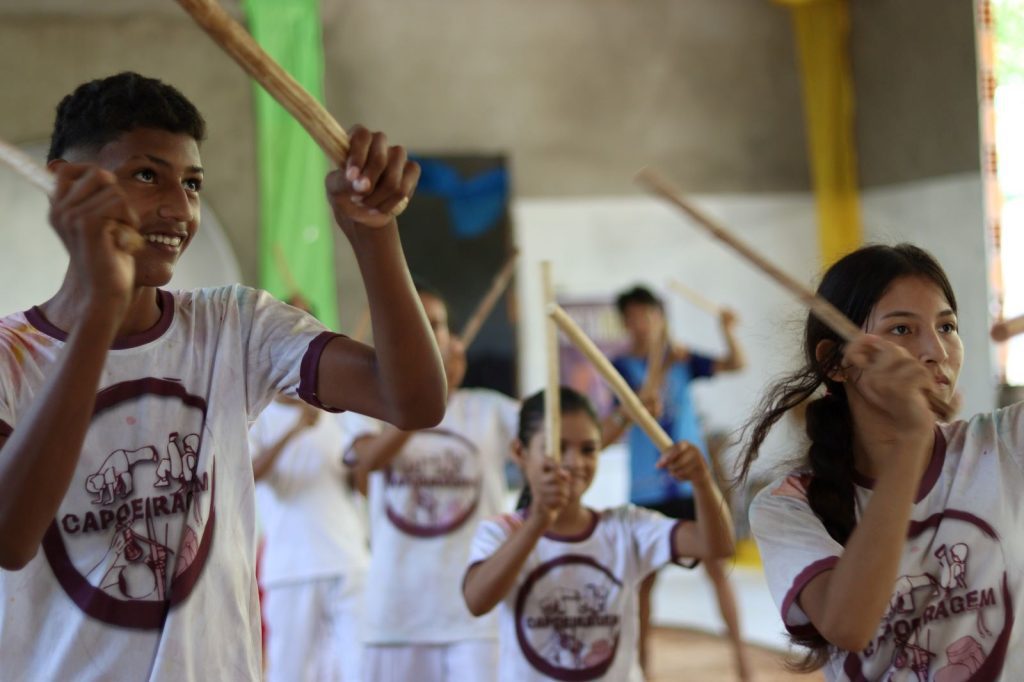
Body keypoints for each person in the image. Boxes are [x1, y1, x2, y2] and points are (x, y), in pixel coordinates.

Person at [0, 72, 445, 680]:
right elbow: (9, 537)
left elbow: (413, 400)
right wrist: (102, 307)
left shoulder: (231, 326)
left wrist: (374, 233)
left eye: (192, 184)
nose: (179, 208)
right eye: (147, 175)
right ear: (63, 186)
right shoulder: (9, 357)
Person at [742, 243, 1024, 679]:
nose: (935, 351)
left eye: (947, 326)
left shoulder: (1006, 442)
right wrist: (911, 440)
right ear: (836, 363)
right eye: (901, 331)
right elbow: (848, 626)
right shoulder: (787, 505)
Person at [463, 386, 735, 681]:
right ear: (520, 452)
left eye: (588, 449)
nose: (574, 462)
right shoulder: (501, 532)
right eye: (558, 448)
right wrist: (537, 522)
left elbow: (716, 545)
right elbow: (477, 601)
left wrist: (702, 482)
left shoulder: (626, 527)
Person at [343, 281, 519, 682]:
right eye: (413, 322)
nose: (424, 331)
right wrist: (430, 398)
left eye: (434, 324)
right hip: (396, 615)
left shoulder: (488, 409)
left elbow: (558, 441)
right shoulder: (367, 406)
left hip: (474, 618)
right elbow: (366, 465)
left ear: (451, 339)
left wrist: (622, 417)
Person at [603, 284, 751, 679]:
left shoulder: (684, 360)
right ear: (624, 323)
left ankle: (744, 664)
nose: (640, 324)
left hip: (689, 487)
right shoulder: (619, 369)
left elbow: (736, 363)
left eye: (646, 315)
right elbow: (638, 409)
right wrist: (657, 366)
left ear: (659, 318)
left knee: (718, 569)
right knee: (644, 585)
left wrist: (727, 328)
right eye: (632, 317)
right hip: (646, 489)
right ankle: (644, 670)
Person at [250, 386, 370, 682]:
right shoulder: (258, 417)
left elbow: (362, 485)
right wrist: (296, 428)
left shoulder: (341, 414)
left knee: (361, 667)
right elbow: (249, 472)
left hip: (349, 559)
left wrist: (364, 461)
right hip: (292, 568)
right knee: (289, 672)